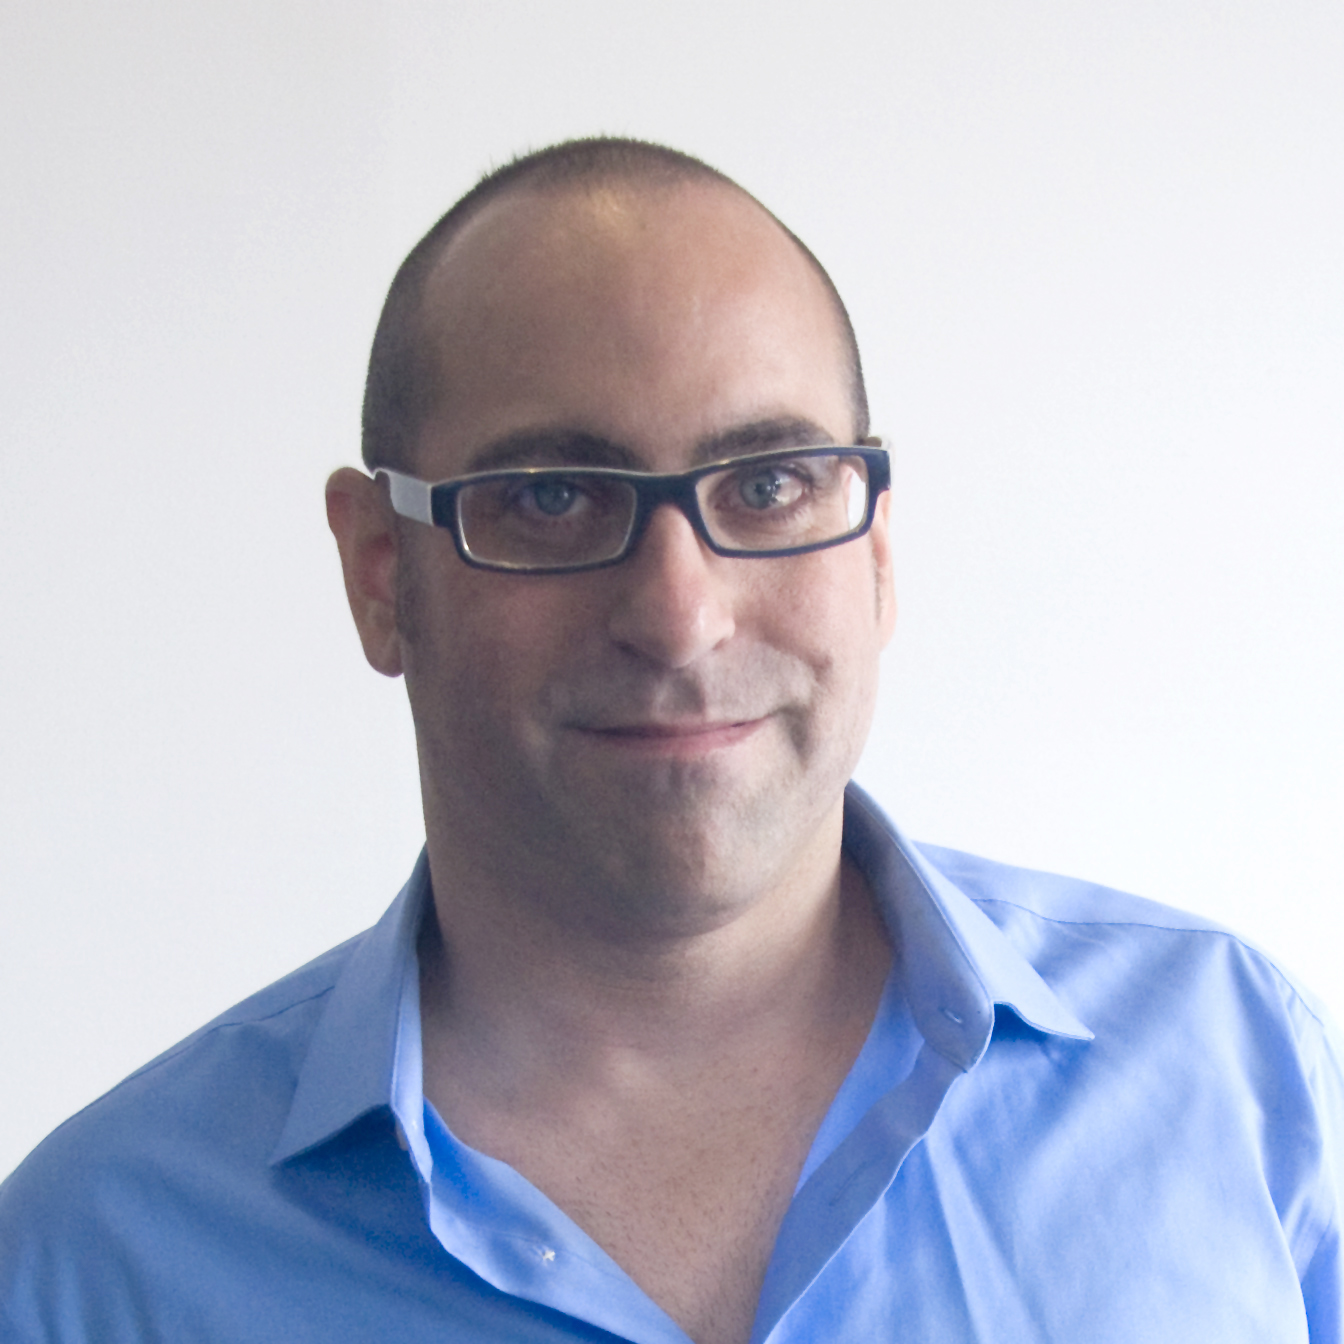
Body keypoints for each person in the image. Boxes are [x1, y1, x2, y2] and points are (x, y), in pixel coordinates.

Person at [1, 137, 1340, 1344]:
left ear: (877, 553)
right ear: (379, 572)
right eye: (550, 496)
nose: (680, 617)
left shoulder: (1238, 1076)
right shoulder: (90, 1268)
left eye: (770, 483)